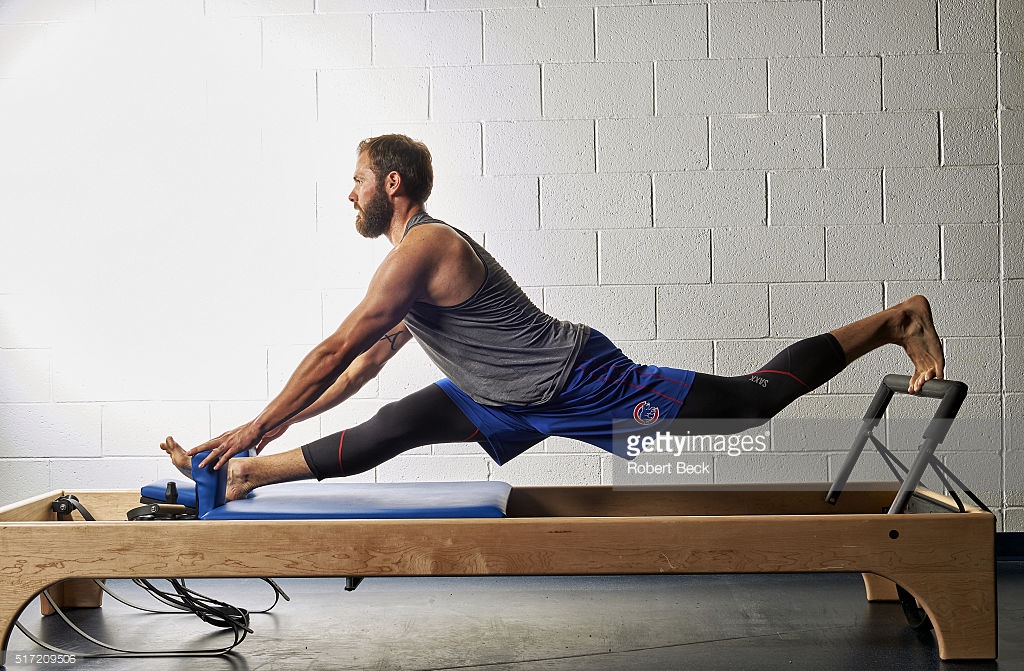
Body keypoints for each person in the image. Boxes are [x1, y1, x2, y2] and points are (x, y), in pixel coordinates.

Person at [162, 134, 945, 500]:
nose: (350, 193)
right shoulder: (410, 264)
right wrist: (258, 435)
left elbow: (337, 347)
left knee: (750, 404)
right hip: (499, 393)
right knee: (391, 426)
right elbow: (361, 365)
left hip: (575, 379)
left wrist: (253, 417)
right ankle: (244, 475)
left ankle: (894, 321)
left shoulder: (422, 251)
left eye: (358, 180)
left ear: (392, 183)